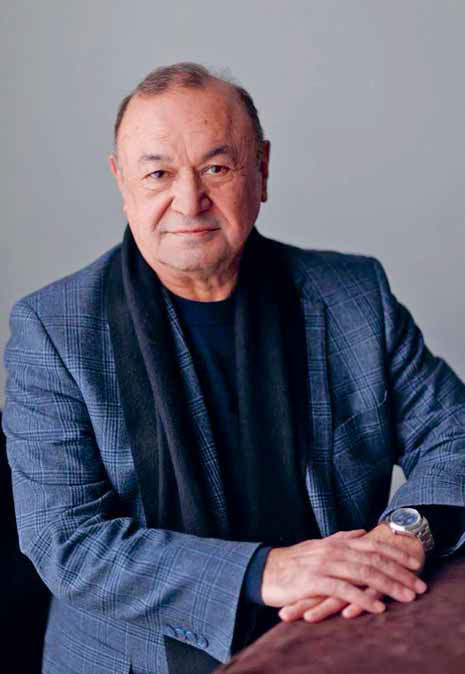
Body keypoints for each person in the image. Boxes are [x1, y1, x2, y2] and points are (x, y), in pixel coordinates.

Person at [3, 62, 465, 674]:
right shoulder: (51, 329)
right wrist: (267, 570)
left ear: (262, 170)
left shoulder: (354, 295)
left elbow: (455, 436)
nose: (188, 201)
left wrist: (402, 535)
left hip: (336, 638)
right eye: (158, 173)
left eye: (216, 168)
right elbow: (65, 540)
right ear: (122, 181)